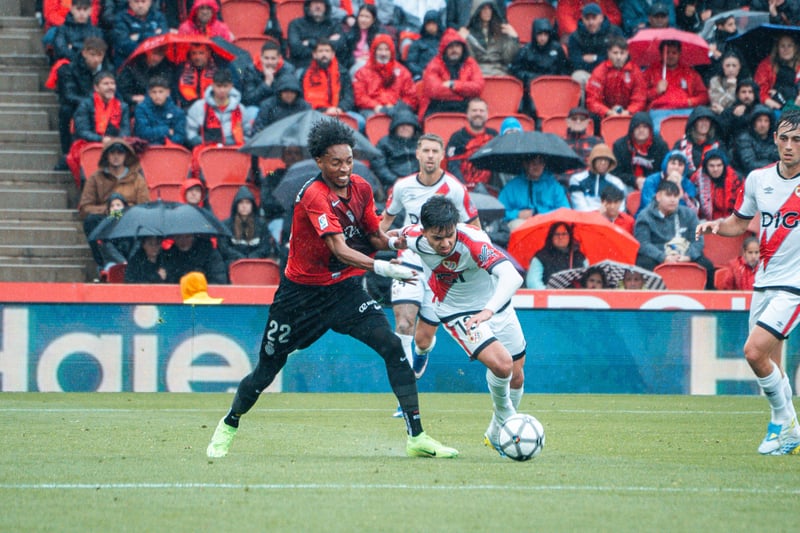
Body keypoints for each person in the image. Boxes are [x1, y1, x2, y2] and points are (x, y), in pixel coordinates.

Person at [205, 118, 459, 459]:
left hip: (343, 291)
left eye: (349, 161)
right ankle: (230, 422)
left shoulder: (361, 188)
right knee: (265, 372)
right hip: (299, 298)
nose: (344, 168)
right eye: (336, 162)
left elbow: (373, 235)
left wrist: (398, 241)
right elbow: (339, 248)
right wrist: (383, 267)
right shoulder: (314, 195)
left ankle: (417, 436)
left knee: (392, 346)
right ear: (320, 161)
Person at [695, 109, 800, 455]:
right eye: (784, 138)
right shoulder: (758, 179)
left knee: (753, 351)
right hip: (763, 283)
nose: (789, 146)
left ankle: (780, 420)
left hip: (795, 286)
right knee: (772, 363)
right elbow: (739, 223)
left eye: (797, 140)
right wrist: (716, 226)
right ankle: (792, 431)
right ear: (775, 139)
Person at [399, 195, 526, 457]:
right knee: (502, 365)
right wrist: (389, 249)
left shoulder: (474, 242)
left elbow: (512, 276)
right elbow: (394, 237)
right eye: (437, 238)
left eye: (449, 235)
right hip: (456, 311)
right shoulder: (414, 238)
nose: (445, 243)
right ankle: (508, 420)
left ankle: (495, 434)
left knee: (516, 375)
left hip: (495, 306)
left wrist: (489, 310)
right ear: (425, 232)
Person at [380, 132, 480, 400]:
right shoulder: (403, 187)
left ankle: (422, 353)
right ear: (417, 153)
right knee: (403, 324)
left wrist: (469, 264)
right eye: (425, 150)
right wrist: (376, 251)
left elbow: (475, 228)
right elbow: (383, 224)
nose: (430, 156)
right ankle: (406, 394)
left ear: (443, 155)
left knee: (423, 340)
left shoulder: (455, 189)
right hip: (409, 262)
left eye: (435, 151)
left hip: (440, 269)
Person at [78, 140, 149, 268]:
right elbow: (85, 207)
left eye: (120, 153)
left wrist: (125, 211)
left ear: (126, 156)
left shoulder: (137, 179)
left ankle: (132, 263)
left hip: (130, 220)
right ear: (107, 155)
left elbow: (144, 206)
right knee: (90, 221)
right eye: (112, 153)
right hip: (106, 220)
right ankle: (102, 264)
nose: (116, 156)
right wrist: (109, 210)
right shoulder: (96, 178)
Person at [635, 180, 715, 289]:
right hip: (658, 255)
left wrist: (688, 256)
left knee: (707, 265)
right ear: (658, 196)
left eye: (675, 196)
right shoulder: (645, 216)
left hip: (684, 253)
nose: (673, 199)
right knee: (643, 263)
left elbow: (698, 241)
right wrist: (663, 257)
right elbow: (643, 244)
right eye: (668, 195)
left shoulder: (689, 214)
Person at [68, 70, 130, 185]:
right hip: (88, 144)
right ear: (96, 88)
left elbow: (125, 130)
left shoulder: (122, 106)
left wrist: (116, 140)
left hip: (114, 144)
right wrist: (101, 139)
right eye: (106, 84)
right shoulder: (85, 105)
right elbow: (82, 131)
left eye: (112, 83)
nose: (110, 87)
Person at [55, 36, 109, 158]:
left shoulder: (108, 70)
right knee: (66, 110)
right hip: (79, 105)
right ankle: (67, 152)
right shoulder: (70, 69)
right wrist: (91, 102)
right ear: (84, 53)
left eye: (99, 55)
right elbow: (68, 94)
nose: (96, 59)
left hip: (103, 105)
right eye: (92, 55)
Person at [418, 27, 484, 120]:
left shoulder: (471, 63)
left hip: (464, 107)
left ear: (462, 48)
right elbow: (435, 90)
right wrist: (463, 95)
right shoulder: (434, 64)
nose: (454, 50)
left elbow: (478, 87)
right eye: (451, 47)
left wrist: (454, 85)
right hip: (439, 106)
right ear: (445, 49)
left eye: (457, 46)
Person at [509, 18, 570, 117]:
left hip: (553, 88)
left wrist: (556, 81)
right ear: (534, 35)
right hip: (532, 90)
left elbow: (565, 69)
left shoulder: (557, 49)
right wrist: (531, 77)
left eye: (545, 35)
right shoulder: (526, 50)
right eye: (540, 34)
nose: (543, 38)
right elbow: (515, 70)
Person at [352, 34, 418, 118]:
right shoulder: (362, 72)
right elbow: (359, 96)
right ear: (374, 51)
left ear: (392, 52)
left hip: (397, 110)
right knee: (377, 120)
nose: (383, 53)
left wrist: (396, 107)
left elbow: (411, 97)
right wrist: (376, 106)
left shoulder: (402, 72)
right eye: (380, 49)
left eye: (387, 50)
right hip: (371, 110)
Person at [643, 40, 709, 122]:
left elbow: (704, 96)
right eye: (667, 53)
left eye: (674, 53)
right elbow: (640, 96)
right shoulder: (650, 72)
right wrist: (656, 91)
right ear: (661, 54)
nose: (670, 56)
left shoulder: (690, 73)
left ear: (679, 54)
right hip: (659, 111)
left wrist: (691, 102)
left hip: (686, 110)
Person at [499, 155, 570, 230]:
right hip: (521, 224)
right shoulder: (511, 187)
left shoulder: (554, 186)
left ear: (544, 165)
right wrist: (517, 214)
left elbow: (565, 211)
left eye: (540, 162)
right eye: (533, 163)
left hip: (548, 224)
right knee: (519, 226)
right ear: (525, 164)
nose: (537, 166)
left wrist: (542, 215)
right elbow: (499, 212)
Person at [586, 35, 647, 120]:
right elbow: (592, 100)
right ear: (608, 53)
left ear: (627, 53)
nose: (618, 57)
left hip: (629, 115)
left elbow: (640, 99)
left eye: (622, 53)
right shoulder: (599, 71)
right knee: (593, 116)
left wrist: (628, 112)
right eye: (615, 53)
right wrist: (607, 112)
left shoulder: (635, 72)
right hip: (604, 115)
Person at [186, 68, 247, 151]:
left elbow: (248, 134)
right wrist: (205, 142)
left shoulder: (240, 108)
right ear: (212, 85)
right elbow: (190, 133)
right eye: (218, 86)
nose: (222, 90)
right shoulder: (199, 106)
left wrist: (226, 142)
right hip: (206, 150)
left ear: (231, 86)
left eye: (225, 86)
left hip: (234, 150)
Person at [218, 185, 279, 266]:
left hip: (256, 263)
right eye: (241, 203)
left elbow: (266, 247)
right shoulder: (226, 225)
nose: (244, 206)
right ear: (236, 205)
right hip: (234, 263)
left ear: (252, 206)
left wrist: (253, 256)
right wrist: (239, 257)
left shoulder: (261, 225)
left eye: (247, 203)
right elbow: (224, 248)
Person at [566, 2, 624, 88]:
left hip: (610, 72)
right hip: (586, 74)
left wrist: (595, 58)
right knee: (577, 77)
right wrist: (602, 60)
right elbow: (575, 62)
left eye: (594, 18)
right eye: (587, 19)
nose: (591, 22)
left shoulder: (614, 32)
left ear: (601, 18)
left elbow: (619, 57)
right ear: (582, 19)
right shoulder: (575, 37)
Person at [445, 97, 497, 192]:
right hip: (464, 188)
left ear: (487, 115)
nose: (478, 114)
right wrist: (464, 188)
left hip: (490, 189)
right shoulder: (457, 137)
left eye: (481, 111)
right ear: (467, 114)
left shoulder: (494, 136)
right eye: (474, 110)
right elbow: (453, 166)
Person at [612, 111, 669, 191]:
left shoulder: (660, 145)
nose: (641, 130)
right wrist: (635, 180)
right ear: (632, 129)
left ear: (650, 129)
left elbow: (665, 171)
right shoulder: (620, 145)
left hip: (654, 184)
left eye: (645, 127)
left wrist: (649, 181)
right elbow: (615, 173)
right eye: (637, 127)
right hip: (628, 185)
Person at [301, 38, 356, 121]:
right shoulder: (306, 74)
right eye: (320, 51)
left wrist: (339, 108)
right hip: (314, 113)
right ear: (314, 54)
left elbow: (349, 97)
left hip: (339, 111)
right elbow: (303, 100)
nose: (324, 54)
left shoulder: (342, 72)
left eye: (327, 51)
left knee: (360, 121)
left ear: (333, 54)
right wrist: (325, 110)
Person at [462, 0, 519, 77]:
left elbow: (508, 58)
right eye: (484, 8)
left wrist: (514, 39)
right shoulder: (469, 34)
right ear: (477, 11)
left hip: (499, 72)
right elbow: (470, 60)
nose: (487, 12)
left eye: (490, 8)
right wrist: (463, 41)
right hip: (477, 73)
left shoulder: (501, 31)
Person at [526, 221, 588, 289]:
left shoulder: (580, 257)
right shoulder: (541, 257)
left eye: (564, 234)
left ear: (570, 236)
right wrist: (549, 293)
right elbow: (533, 282)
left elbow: (588, 280)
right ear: (551, 237)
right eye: (556, 234)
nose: (560, 237)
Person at [371, 108, 422, 190]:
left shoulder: (421, 142)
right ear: (395, 127)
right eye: (401, 125)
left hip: (419, 182)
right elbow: (379, 165)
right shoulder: (384, 143)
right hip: (393, 184)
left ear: (414, 127)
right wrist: (395, 180)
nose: (405, 128)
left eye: (408, 125)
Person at [109, 0, 169, 69]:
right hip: (129, 65)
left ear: (150, 2)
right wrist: (153, 35)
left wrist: (139, 36)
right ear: (130, 2)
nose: (140, 5)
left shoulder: (159, 16)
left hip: (156, 64)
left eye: (143, 1)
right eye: (136, 2)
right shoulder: (120, 18)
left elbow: (164, 38)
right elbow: (123, 44)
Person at [240, 38, 298, 109]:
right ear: (261, 57)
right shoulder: (251, 70)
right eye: (266, 58)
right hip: (257, 106)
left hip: (280, 107)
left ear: (279, 58)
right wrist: (267, 83)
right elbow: (248, 99)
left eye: (273, 58)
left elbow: (289, 96)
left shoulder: (288, 70)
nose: (269, 62)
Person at [287, 0, 344, 71]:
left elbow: (340, 46)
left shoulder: (334, 25)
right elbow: (295, 49)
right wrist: (327, 43)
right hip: (304, 66)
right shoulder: (296, 24)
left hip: (330, 66)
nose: (318, 6)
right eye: (315, 2)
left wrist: (310, 42)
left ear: (326, 6)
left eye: (321, 3)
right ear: (308, 6)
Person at [116, 42, 177, 109]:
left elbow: (169, 89)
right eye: (154, 53)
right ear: (148, 51)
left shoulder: (166, 67)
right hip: (136, 105)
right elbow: (122, 91)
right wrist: (133, 98)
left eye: (161, 55)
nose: (156, 58)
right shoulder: (133, 65)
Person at [568, 143, 626, 212]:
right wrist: (599, 213)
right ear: (593, 160)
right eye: (600, 159)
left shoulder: (617, 183)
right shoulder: (577, 180)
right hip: (583, 217)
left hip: (608, 218)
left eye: (606, 160)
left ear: (610, 162)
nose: (603, 162)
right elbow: (580, 208)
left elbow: (619, 210)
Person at [639, 150, 698, 216]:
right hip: (650, 216)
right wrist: (668, 186)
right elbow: (649, 204)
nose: (676, 167)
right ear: (666, 165)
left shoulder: (688, 185)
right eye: (673, 163)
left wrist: (679, 188)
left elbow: (691, 211)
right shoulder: (652, 180)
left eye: (680, 165)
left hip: (678, 218)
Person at [133, 76, 186, 146]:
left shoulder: (177, 111)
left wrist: (163, 142)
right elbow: (142, 133)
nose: (157, 96)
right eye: (154, 92)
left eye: (161, 92)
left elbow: (180, 137)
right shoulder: (141, 109)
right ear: (149, 93)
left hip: (170, 148)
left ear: (168, 92)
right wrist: (166, 131)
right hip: (148, 148)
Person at [673, 105, 727, 173]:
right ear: (694, 123)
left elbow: (726, 168)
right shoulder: (681, 145)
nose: (704, 124)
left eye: (707, 120)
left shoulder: (718, 145)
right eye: (701, 120)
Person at [692, 148, 743, 221]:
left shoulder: (736, 180)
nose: (715, 169)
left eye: (719, 165)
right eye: (711, 166)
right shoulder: (697, 179)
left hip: (731, 221)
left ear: (724, 166)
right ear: (706, 166)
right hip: (705, 222)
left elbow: (741, 206)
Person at [753, 35, 800, 113]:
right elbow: (759, 89)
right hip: (772, 106)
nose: (786, 49)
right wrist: (768, 100)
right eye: (782, 46)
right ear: (777, 48)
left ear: (795, 48)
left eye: (790, 45)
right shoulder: (766, 65)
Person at [339, 3, 388, 74]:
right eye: (361, 16)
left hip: (375, 66)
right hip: (356, 66)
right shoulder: (351, 33)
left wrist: (371, 59)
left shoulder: (380, 33)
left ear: (373, 19)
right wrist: (355, 60)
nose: (363, 20)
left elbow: (386, 54)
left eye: (367, 17)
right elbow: (344, 57)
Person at [163, 233, 228, 284]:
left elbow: (218, 280)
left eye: (187, 236)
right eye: (178, 237)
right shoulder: (169, 255)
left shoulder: (208, 252)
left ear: (194, 237)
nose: (183, 241)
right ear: (173, 238)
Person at [734, 104, 780, 175]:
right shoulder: (744, 139)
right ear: (753, 123)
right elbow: (750, 164)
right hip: (752, 176)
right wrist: (774, 166)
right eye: (759, 120)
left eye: (766, 121)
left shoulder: (775, 138)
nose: (763, 125)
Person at [174, 43, 219, 109]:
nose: (197, 57)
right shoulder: (181, 68)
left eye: (201, 53)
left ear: (209, 53)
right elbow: (175, 91)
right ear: (190, 54)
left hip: (213, 107)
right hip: (187, 107)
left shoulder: (218, 67)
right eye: (194, 53)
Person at [404, 9, 443, 82]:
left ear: (438, 24)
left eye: (433, 24)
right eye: (428, 24)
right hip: (422, 77)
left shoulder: (444, 43)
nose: (431, 27)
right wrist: (422, 72)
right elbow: (410, 63)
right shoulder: (417, 43)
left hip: (442, 76)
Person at [719, 78, 760, 144]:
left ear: (755, 94)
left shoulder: (761, 111)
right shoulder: (729, 112)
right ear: (737, 94)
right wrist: (734, 117)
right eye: (743, 92)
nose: (747, 95)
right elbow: (722, 134)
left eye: (750, 92)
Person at [708, 50, 748, 116]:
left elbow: (747, 104)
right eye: (727, 65)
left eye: (734, 66)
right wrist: (732, 87)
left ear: (739, 67)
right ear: (723, 66)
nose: (731, 69)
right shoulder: (715, 81)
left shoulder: (746, 82)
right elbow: (717, 105)